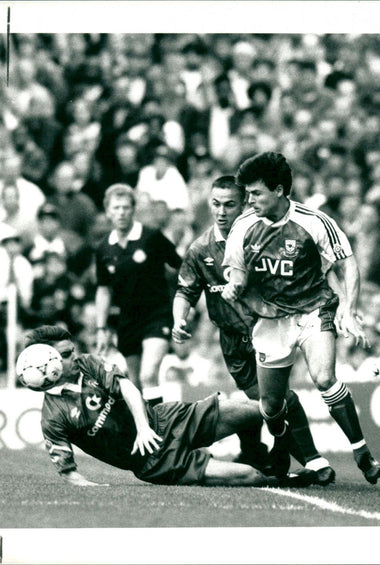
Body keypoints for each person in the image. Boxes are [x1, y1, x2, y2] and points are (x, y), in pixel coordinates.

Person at [221, 152, 380, 484]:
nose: (249, 200)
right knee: (270, 405)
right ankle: (282, 445)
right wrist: (234, 285)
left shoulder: (314, 221)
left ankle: (362, 452)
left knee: (324, 377)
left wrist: (348, 309)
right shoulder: (244, 226)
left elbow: (347, 262)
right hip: (270, 320)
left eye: (256, 193)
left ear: (279, 190)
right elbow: (233, 267)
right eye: (248, 194)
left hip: (313, 310)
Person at [173, 175, 335, 485]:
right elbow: (185, 292)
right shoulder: (199, 249)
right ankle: (270, 452)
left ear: (244, 204)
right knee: (264, 402)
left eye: (229, 204)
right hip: (233, 340)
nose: (221, 212)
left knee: (274, 399)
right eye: (216, 204)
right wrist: (179, 319)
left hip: (267, 330)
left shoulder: (264, 238)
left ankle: (313, 461)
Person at [23, 325, 317, 488]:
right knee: (249, 476)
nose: (74, 355)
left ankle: (285, 454)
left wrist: (143, 428)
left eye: (72, 350)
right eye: (65, 354)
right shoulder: (53, 418)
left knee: (256, 411)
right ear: (49, 364)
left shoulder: (88, 364)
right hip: (154, 463)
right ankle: (283, 478)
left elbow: (127, 387)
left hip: (165, 420)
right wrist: (89, 487)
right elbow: (67, 470)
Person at [94, 184, 182, 405]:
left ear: (133, 210)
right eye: (116, 208)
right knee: (135, 382)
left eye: (126, 207)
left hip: (157, 315)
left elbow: (181, 265)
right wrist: (101, 328)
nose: (121, 212)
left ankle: (160, 431)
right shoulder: (104, 248)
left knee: (148, 374)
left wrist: (185, 303)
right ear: (108, 212)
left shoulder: (151, 237)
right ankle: (144, 432)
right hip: (127, 321)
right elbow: (103, 289)